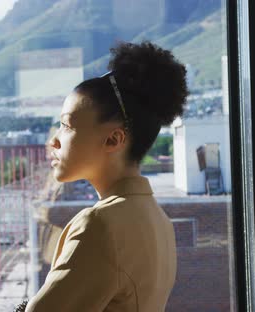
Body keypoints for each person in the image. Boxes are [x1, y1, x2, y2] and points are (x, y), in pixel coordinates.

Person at [25, 41, 188, 312]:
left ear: (113, 139)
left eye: (66, 125)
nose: (54, 140)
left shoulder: (100, 225)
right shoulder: (159, 221)